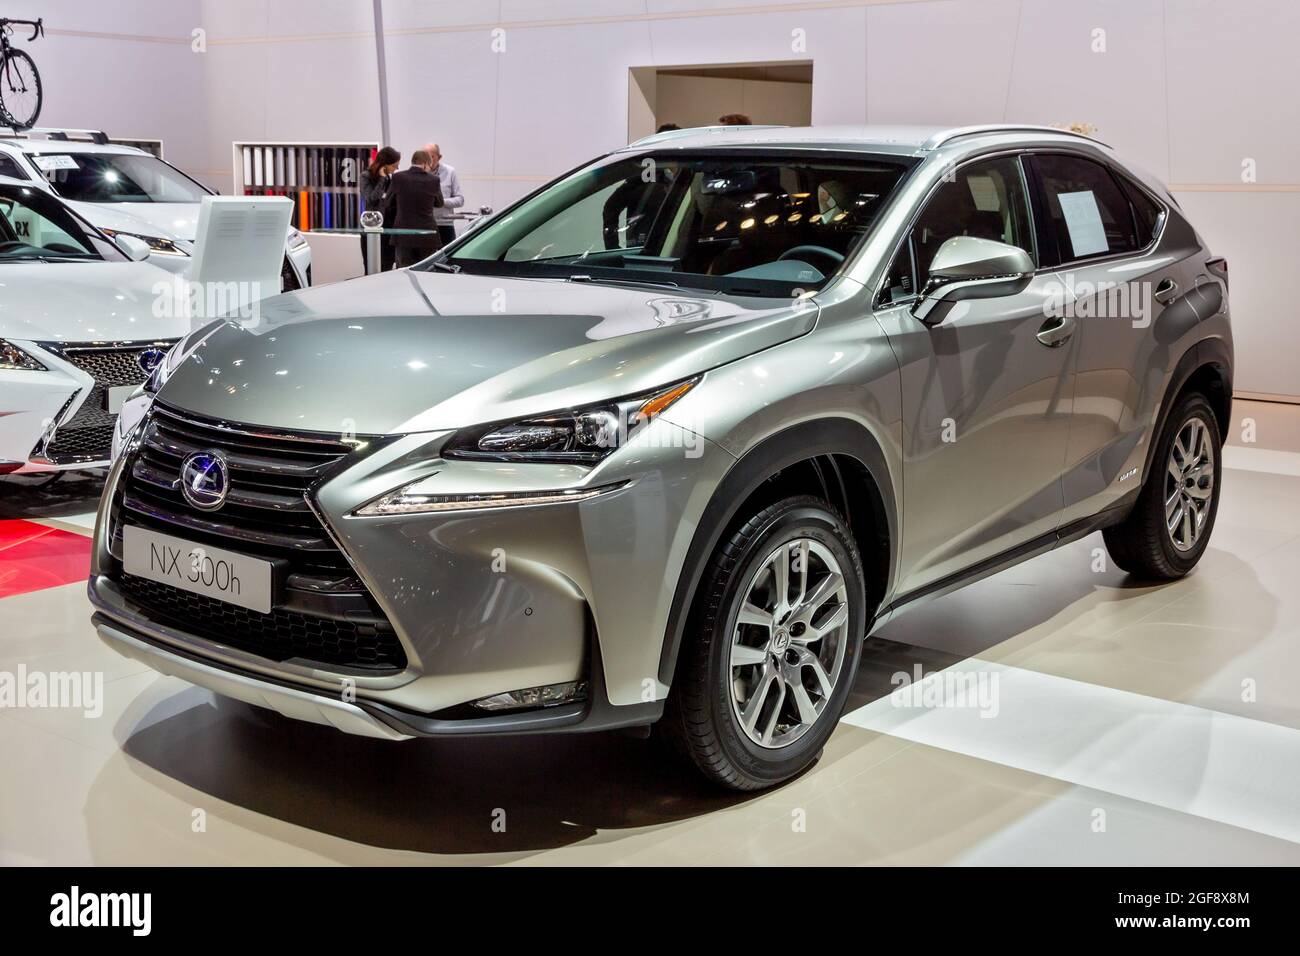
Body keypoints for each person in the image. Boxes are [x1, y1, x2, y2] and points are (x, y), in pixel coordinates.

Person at [389, 149, 444, 267]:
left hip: (403, 234)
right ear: (425, 164)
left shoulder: (398, 177)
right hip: (427, 234)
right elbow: (439, 203)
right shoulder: (434, 180)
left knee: (403, 272)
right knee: (426, 271)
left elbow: (388, 202)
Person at [360, 146, 399, 273]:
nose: (396, 169)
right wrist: (382, 179)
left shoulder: (390, 178)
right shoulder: (366, 176)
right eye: (394, 165)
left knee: (387, 267)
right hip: (372, 229)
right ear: (384, 164)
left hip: (388, 229)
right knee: (371, 268)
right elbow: (371, 199)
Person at [423, 142, 464, 248]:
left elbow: (460, 200)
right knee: (424, 261)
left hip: (445, 224)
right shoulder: (418, 173)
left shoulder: (450, 172)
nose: (428, 160)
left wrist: (440, 201)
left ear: (439, 157)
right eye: (425, 156)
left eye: (431, 156)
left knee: (447, 260)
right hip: (423, 225)